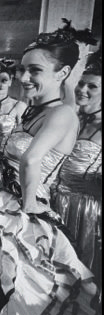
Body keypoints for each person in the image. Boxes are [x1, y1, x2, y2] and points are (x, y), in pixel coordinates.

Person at [0, 19, 99, 315]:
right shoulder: (33, 109)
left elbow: (32, 160)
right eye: (22, 69)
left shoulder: (63, 113)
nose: (24, 77)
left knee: (11, 290)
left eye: (35, 70)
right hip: (2, 206)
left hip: (25, 212)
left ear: (63, 73)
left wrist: (29, 205)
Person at [51, 47, 102, 301]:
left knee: (78, 272)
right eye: (81, 84)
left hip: (84, 211)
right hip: (54, 201)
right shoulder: (72, 117)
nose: (82, 89)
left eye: (91, 87)